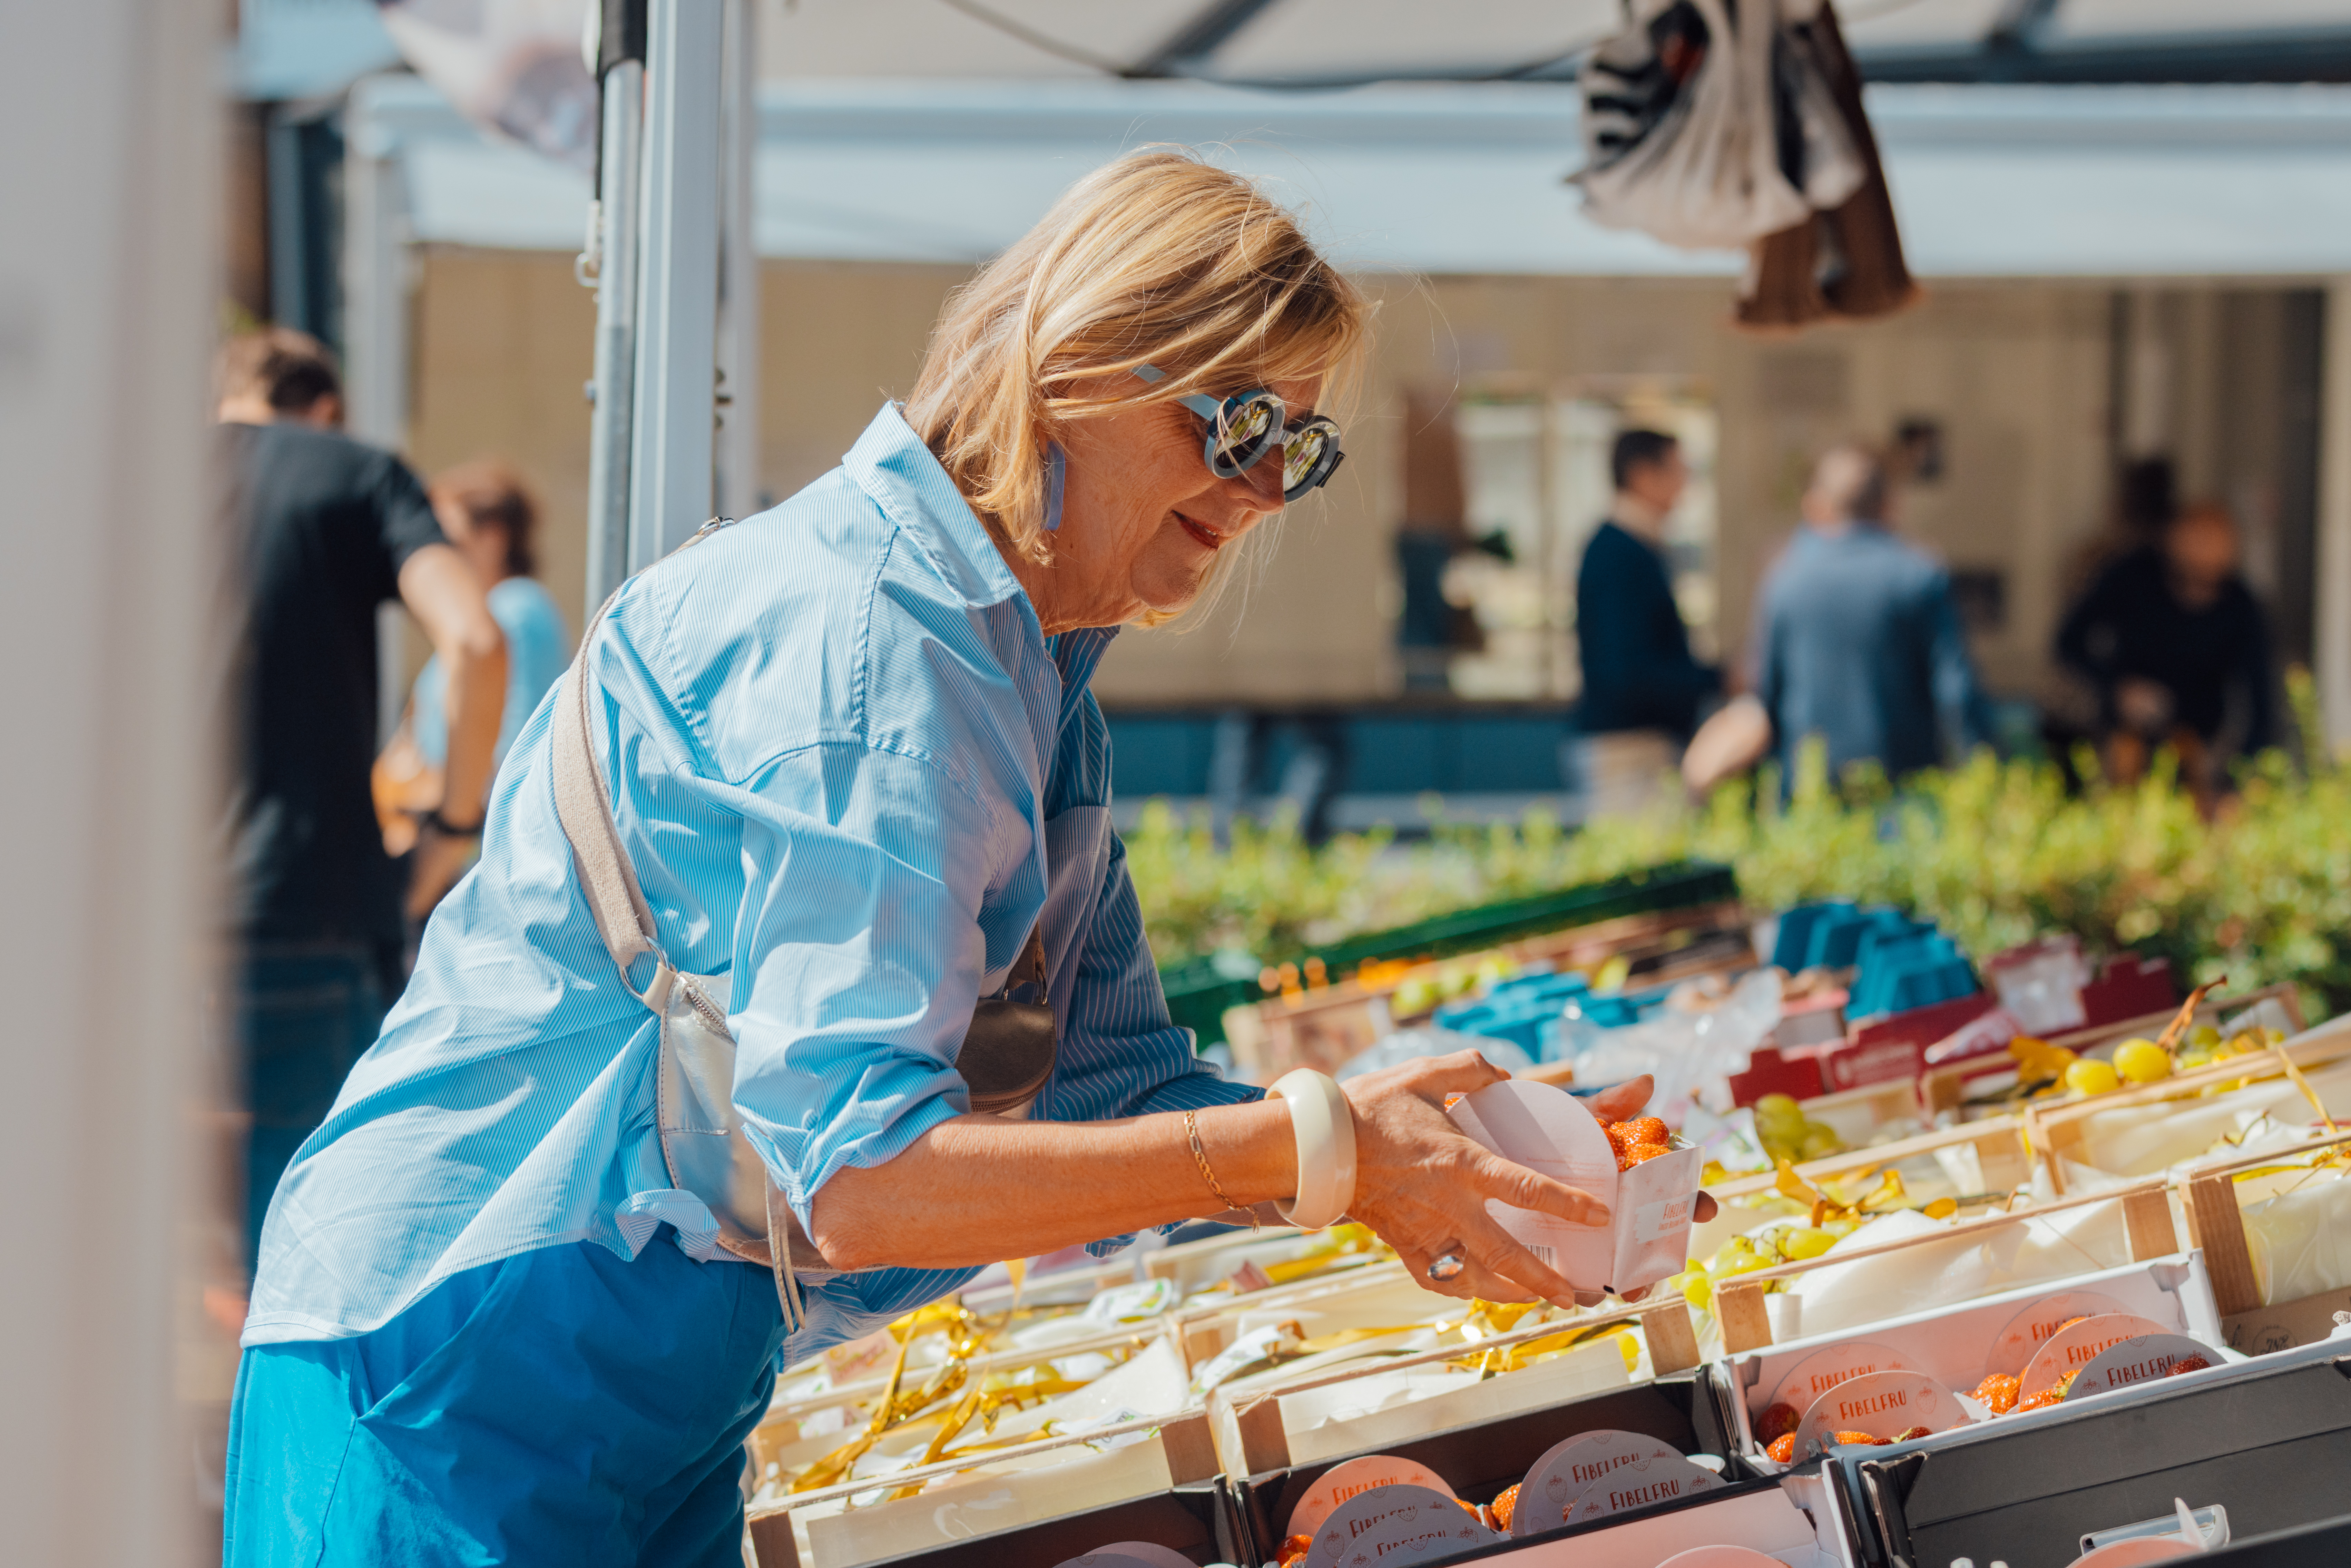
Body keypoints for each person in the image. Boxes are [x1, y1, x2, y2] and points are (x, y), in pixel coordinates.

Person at [223, 153, 1707, 1565]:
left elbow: (1123, 1090)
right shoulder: (877, 653)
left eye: (1301, 450)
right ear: (1081, 362)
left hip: (635, 1377)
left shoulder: (1020, 667)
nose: (1263, 492)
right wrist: (1315, 1149)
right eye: (1241, 423)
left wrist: (1451, 1150)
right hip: (447, 1367)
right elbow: (861, 1174)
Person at [216, 327, 508, 1268]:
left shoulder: (126, 472)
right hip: (311, 909)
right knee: (306, 1254)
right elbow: (472, 641)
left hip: (134, 935)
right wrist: (452, 830)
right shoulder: (356, 475)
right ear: (326, 409)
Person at [374, 459, 571, 880]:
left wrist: (449, 820)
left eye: (446, 533)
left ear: (493, 537)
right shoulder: (492, 615)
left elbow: (515, 748)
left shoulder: (514, 607)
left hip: (476, 854)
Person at [1753, 442, 1990, 783]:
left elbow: (1770, 693)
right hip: (1902, 783)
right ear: (1891, 506)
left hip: (1813, 786)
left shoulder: (1786, 580)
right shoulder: (1918, 574)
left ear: (1820, 507)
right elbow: (1956, 688)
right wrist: (1984, 771)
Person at [2056, 499, 2274, 799]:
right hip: (2124, 738)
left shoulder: (2240, 607)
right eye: (2198, 541)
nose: (2208, 555)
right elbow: (2069, 641)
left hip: (2198, 745)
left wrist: (2238, 781)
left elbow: (2261, 702)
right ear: (2173, 540)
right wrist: (2118, 687)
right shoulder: (2133, 575)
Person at [1575, 428, 1720, 738]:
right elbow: (1626, 672)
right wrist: (1715, 679)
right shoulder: (1617, 553)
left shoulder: (1633, 547)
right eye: (1678, 472)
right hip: (1627, 743)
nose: (1684, 487)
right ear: (1642, 476)